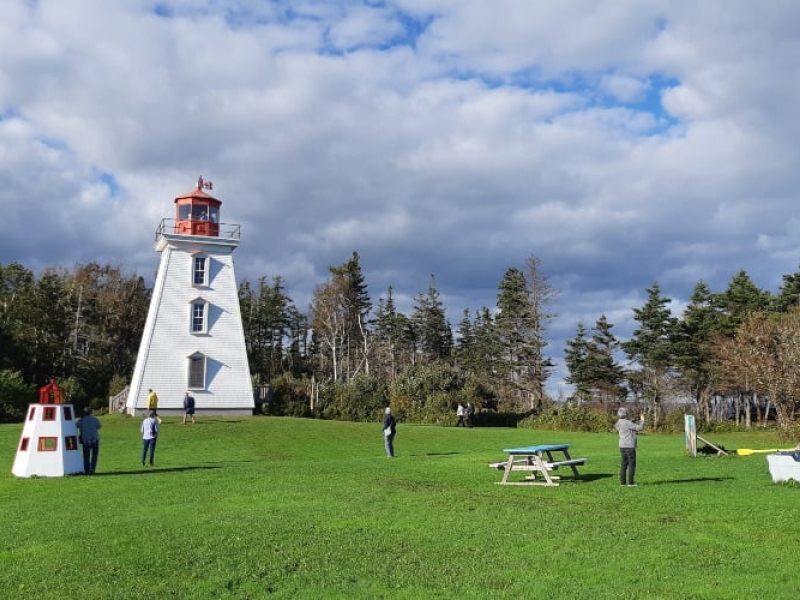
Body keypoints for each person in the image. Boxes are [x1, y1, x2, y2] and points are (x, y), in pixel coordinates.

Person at [615, 407, 645, 487]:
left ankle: (623, 483)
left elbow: (623, 426)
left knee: (624, 464)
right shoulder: (628, 423)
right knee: (632, 464)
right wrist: (642, 420)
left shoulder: (618, 422)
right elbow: (639, 428)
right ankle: (631, 483)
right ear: (626, 414)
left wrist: (632, 421)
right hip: (629, 446)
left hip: (622, 445)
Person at [76, 407, 101, 474]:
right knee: (95, 455)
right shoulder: (94, 419)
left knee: (86, 456)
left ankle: (86, 470)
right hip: (95, 439)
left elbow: (76, 426)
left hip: (86, 440)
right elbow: (99, 426)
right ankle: (92, 469)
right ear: (91, 412)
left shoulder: (81, 420)